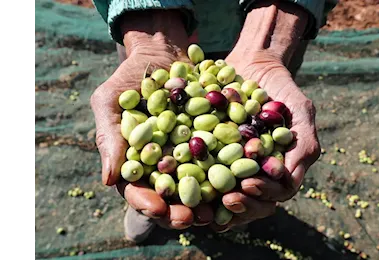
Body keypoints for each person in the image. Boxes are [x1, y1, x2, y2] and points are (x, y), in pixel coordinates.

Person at [90, 0, 336, 243]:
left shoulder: (227, 119)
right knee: (143, 75)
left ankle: (234, 208)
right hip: (148, 20)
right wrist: (151, 37)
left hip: (256, 24)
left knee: (243, 194)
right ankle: (153, 200)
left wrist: (267, 47)